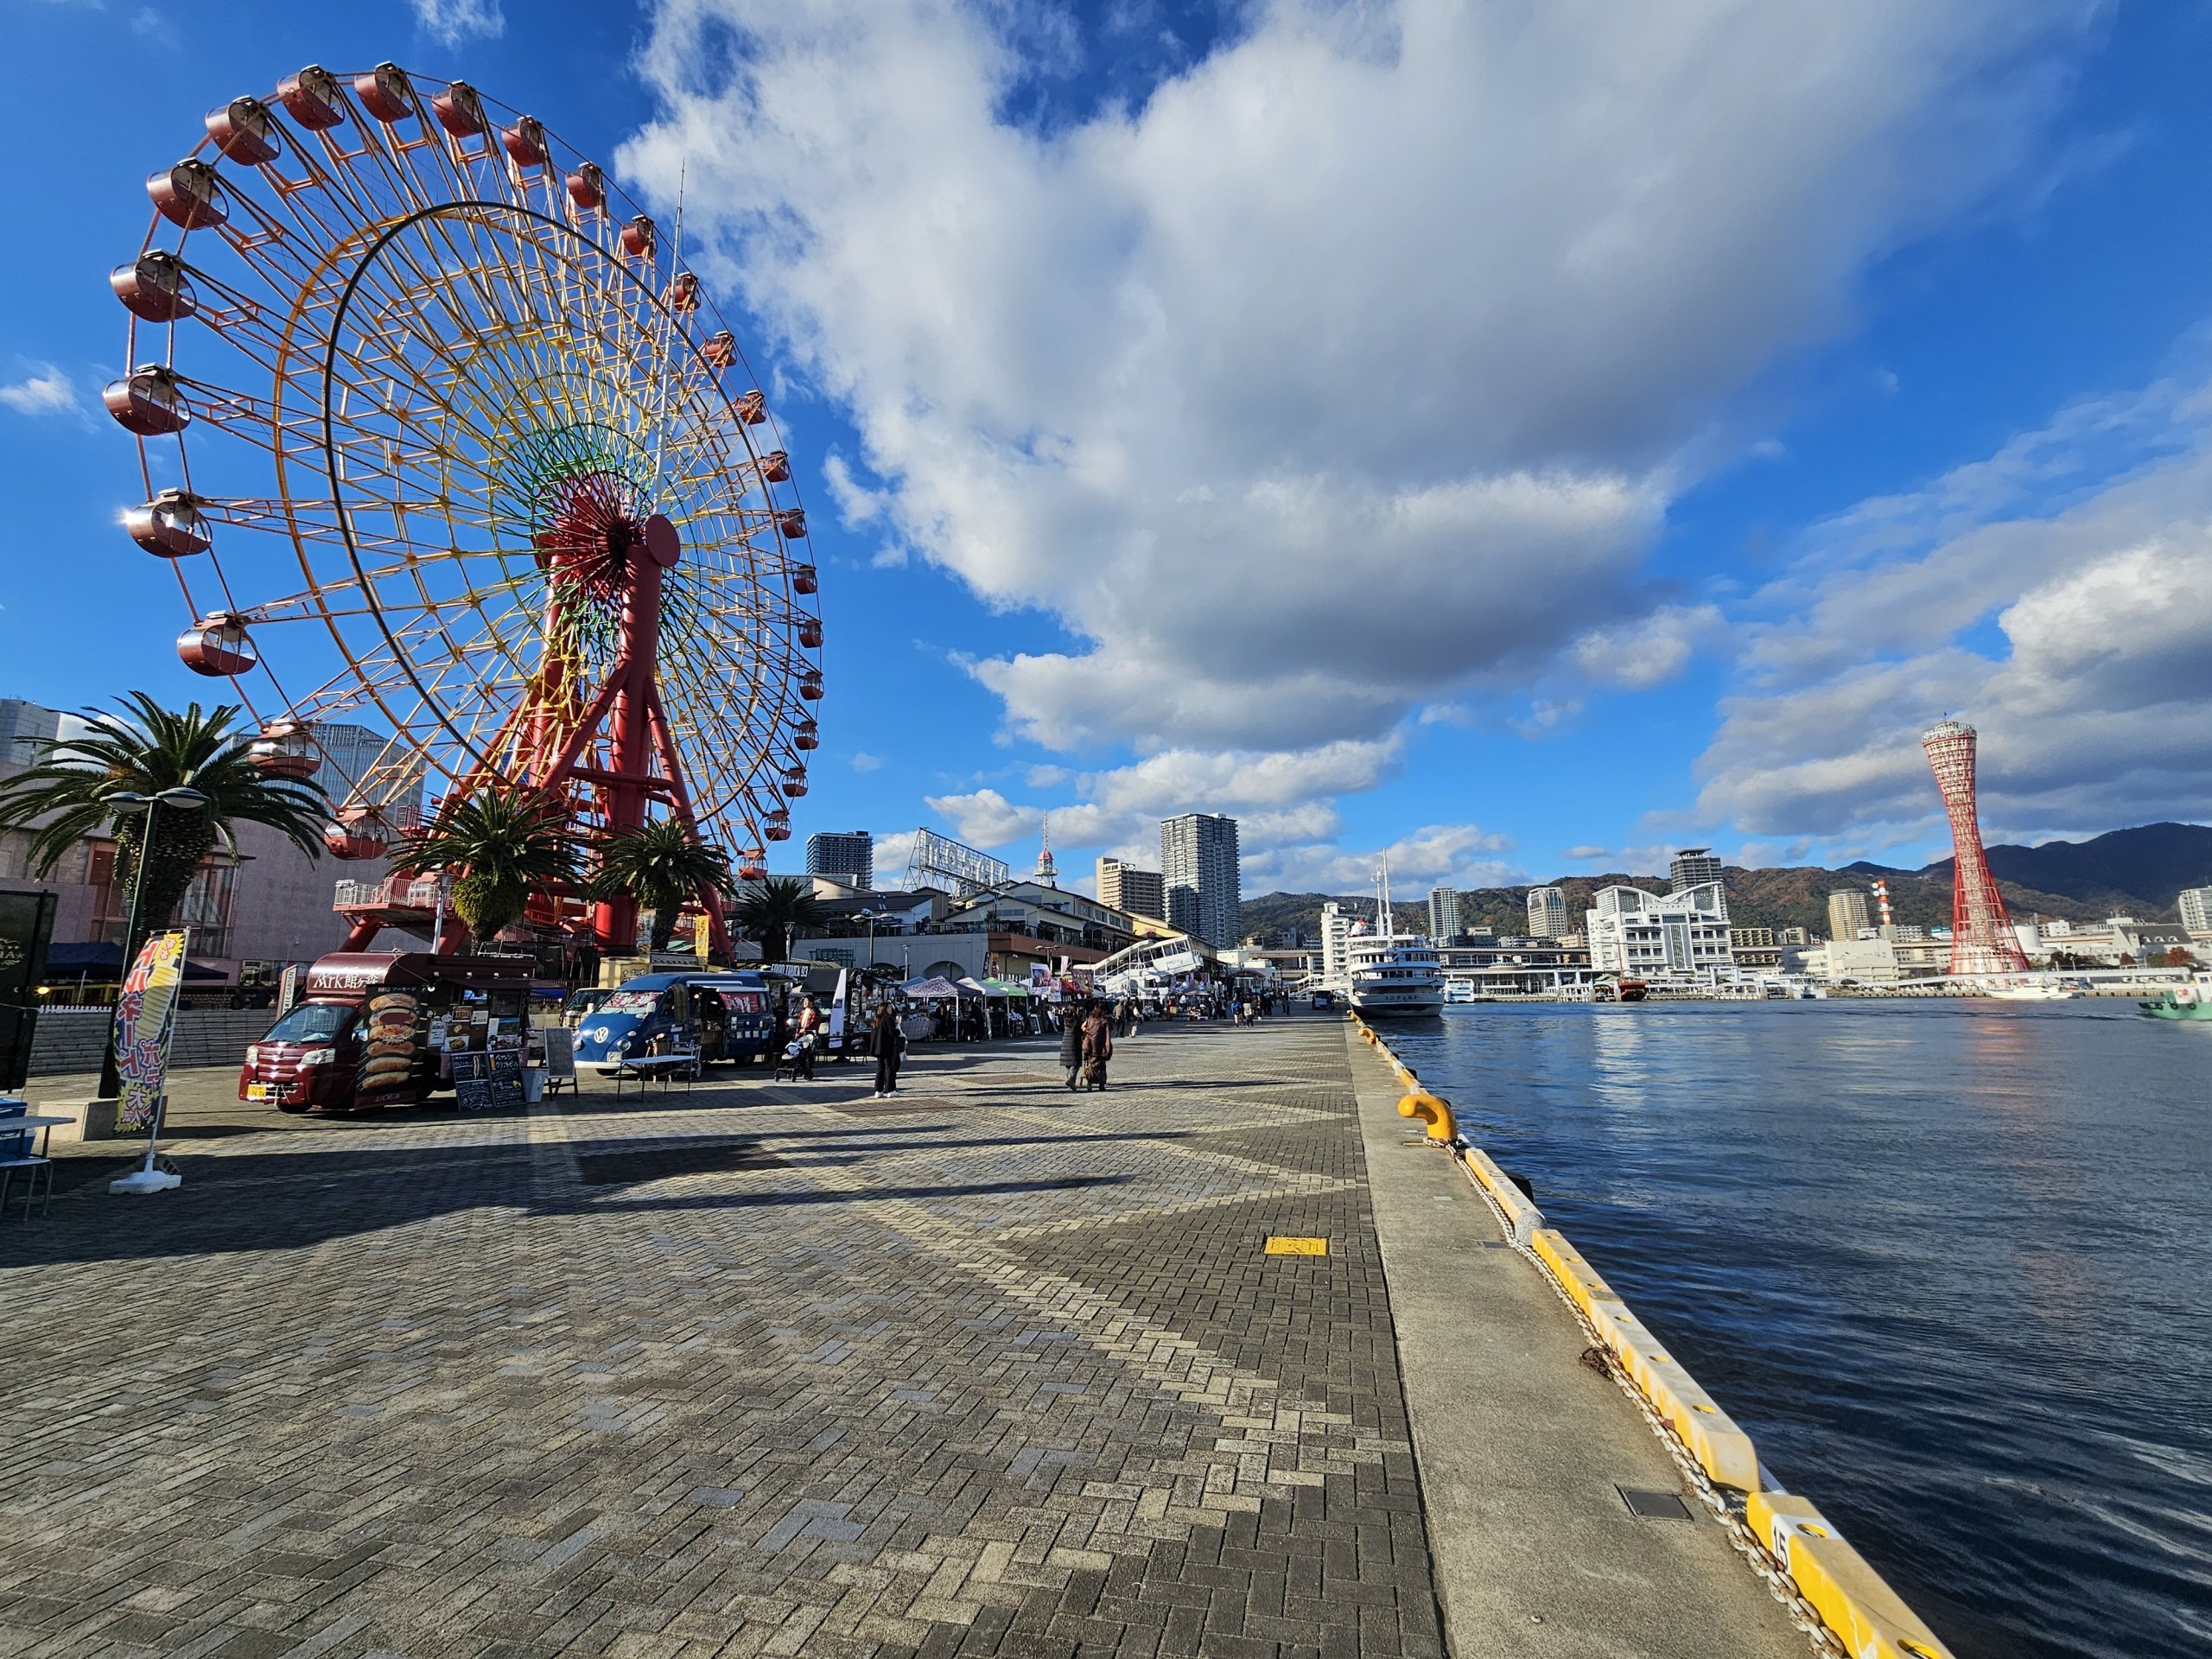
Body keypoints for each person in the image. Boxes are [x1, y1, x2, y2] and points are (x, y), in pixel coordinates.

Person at [870, 1001, 905, 1097]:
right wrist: (898, 1027)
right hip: (888, 1047)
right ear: (885, 1009)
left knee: (880, 1068)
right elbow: (892, 1033)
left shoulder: (876, 1019)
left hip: (878, 1047)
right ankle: (890, 1089)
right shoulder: (888, 1019)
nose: (891, 1009)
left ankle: (878, 1090)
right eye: (889, 1008)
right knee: (890, 1067)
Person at [1080, 1002, 1113, 1090]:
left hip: (1089, 1046)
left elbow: (1083, 1027)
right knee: (1101, 1067)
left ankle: (1089, 1083)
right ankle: (1101, 1084)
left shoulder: (1090, 1019)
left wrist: (1087, 1031)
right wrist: (1108, 1048)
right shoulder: (1104, 1021)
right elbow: (1107, 1035)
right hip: (1100, 1047)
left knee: (1088, 1065)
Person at [793, 995, 822, 1080]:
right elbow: (799, 1023)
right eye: (804, 1001)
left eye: (807, 1001)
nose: (805, 1003)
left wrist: (805, 1029)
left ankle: (808, 1070)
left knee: (809, 1053)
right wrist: (797, 1034)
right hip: (801, 1035)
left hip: (810, 1036)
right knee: (799, 1052)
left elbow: (813, 1023)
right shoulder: (803, 1011)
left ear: (812, 1002)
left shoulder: (815, 1012)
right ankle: (802, 1069)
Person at [1058, 1001, 1084, 1090]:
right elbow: (1081, 1030)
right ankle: (1071, 1080)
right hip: (1074, 1042)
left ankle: (1070, 1081)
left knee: (1069, 1064)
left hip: (1066, 1041)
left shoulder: (1066, 1018)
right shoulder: (1077, 1019)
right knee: (1076, 1062)